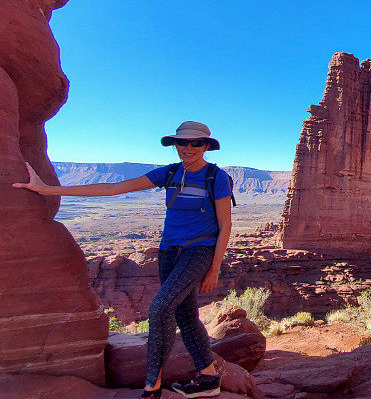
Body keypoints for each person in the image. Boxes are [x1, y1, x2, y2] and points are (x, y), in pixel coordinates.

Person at [14, 121, 233, 399]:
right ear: (175, 145)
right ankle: (209, 378)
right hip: (169, 252)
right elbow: (113, 188)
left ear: (206, 147)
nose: (188, 148)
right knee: (185, 314)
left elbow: (225, 225)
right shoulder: (169, 173)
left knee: (160, 308)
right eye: (182, 142)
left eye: (196, 143)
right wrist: (48, 190)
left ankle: (152, 386)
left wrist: (214, 268)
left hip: (199, 251)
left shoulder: (217, 177)